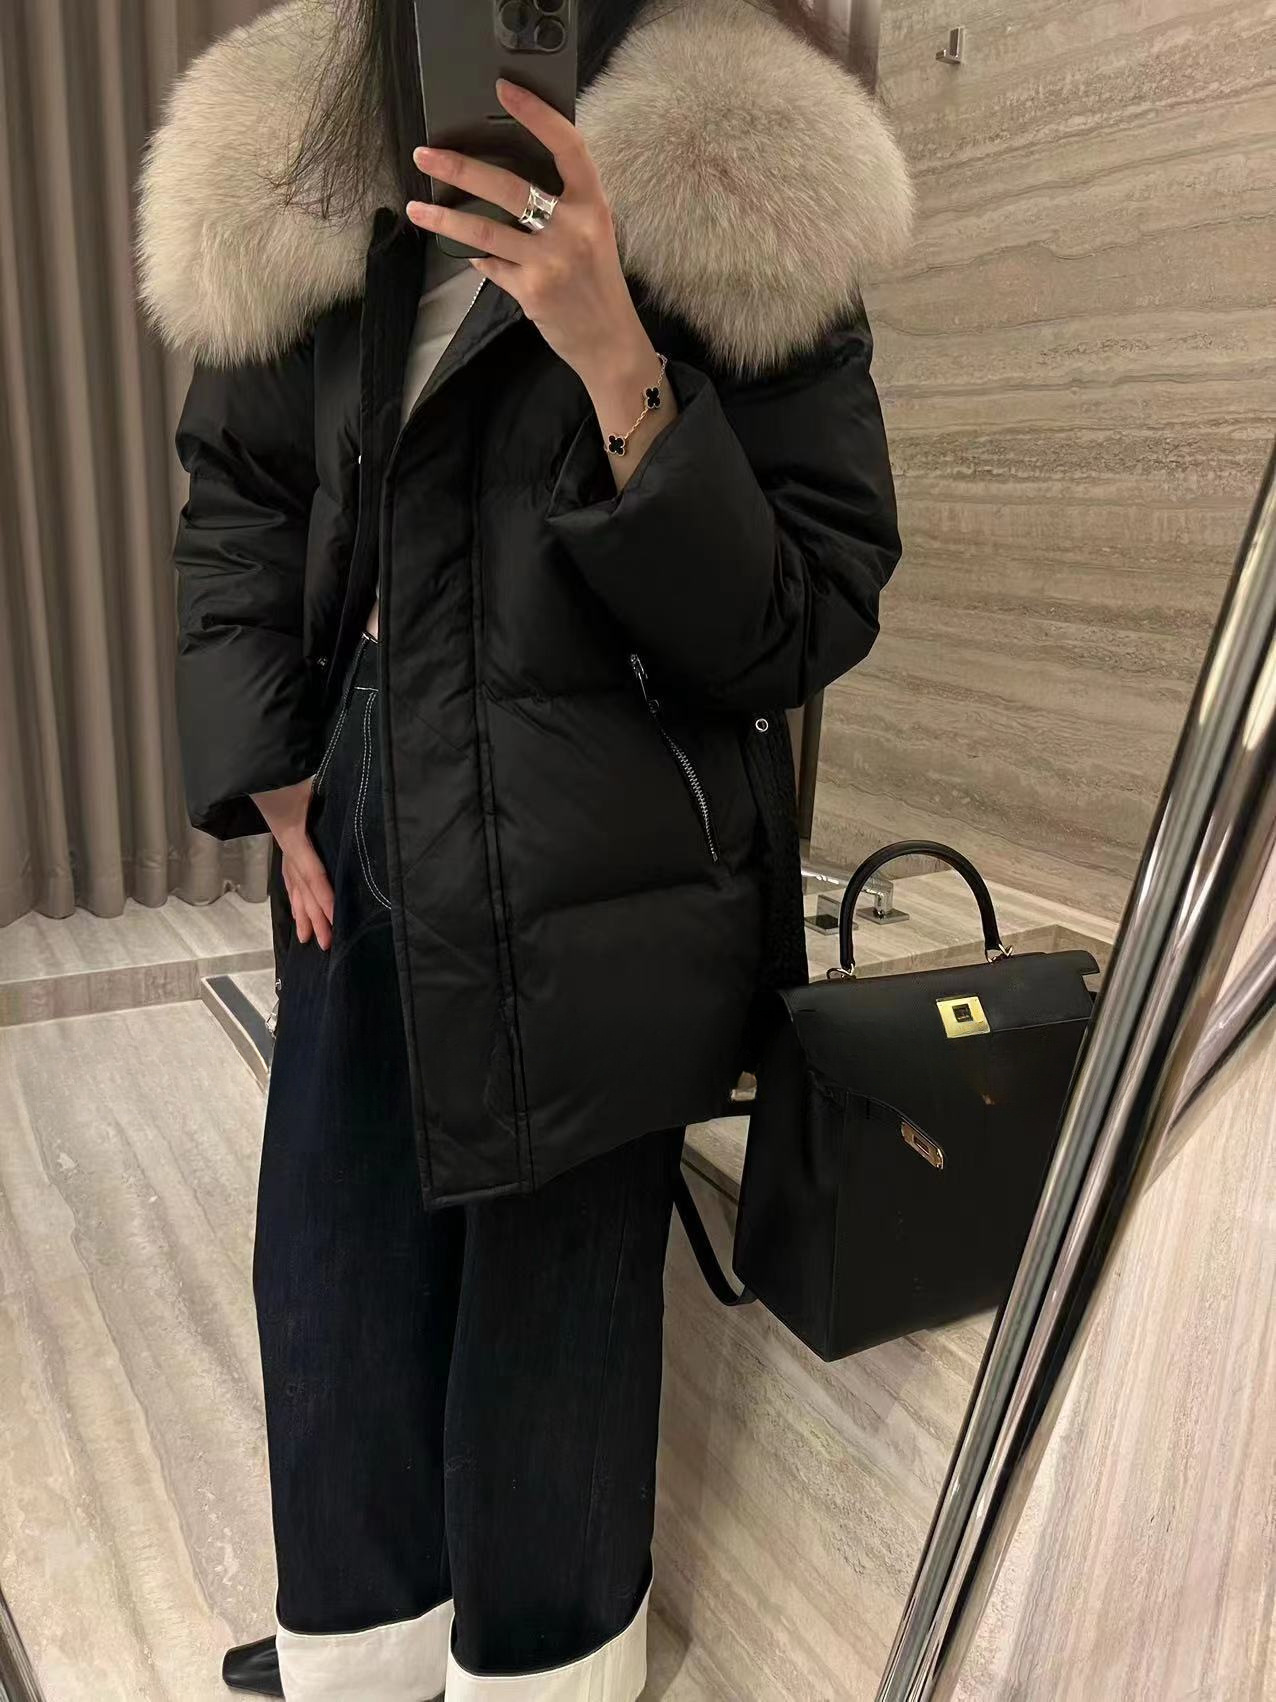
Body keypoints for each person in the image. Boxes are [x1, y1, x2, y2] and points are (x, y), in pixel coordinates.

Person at [137, 0, 910, 1695]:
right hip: (365, 810)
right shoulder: (295, 139)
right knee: (335, 1263)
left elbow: (805, 610)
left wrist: (619, 358)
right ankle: (363, 1647)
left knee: (555, 1310)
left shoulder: (748, 165)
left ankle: (542, 1664)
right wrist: (276, 765)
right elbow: (242, 494)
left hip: (608, 847)